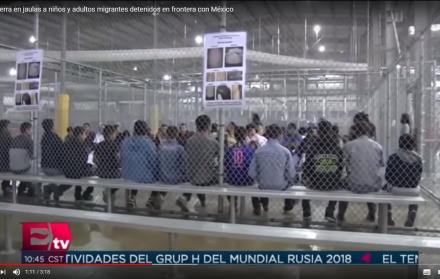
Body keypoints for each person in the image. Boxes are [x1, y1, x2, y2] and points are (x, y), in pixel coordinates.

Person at [338, 121, 384, 223]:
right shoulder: (378, 146)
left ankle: (340, 215)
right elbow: (381, 166)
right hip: (373, 185)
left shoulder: (348, 146)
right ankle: (372, 213)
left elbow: (342, 165)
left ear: (355, 132)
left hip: (354, 185)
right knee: (368, 176)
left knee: (343, 183)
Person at [301, 120, 344, 227]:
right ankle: (330, 211)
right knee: (339, 181)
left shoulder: (313, 146)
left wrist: (311, 176)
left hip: (315, 183)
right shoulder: (336, 147)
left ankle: (307, 212)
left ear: (318, 131)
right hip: (333, 183)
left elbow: (307, 167)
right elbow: (340, 167)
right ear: (330, 131)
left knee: (303, 180)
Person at [248, 124, 297, 216]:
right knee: (291, 181)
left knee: (260, 179)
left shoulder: (259, 151)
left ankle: (263, 204)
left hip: (263, 185)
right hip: (281, 185)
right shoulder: (285, 151)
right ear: (280, 135)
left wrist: (260, 178)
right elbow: (291, 173)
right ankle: (288, 205)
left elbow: (251, 172)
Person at [176, 115, 219, 213]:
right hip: (209, 178)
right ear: (209, 126)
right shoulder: (213, 141)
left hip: (192, 176)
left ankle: (187, 198)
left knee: (199, 169)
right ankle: (198, 201)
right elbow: (220, 158)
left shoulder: (190, 141)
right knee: (209, 170)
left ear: (196, 126)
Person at [385, 134, 422, 227]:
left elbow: (387, 176)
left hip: (396, 189)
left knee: (384, 188)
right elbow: (418, 177)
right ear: (412, 145)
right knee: (417, 191)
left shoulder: (393, 157)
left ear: (399, 144)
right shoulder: (418, 158)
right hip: (413, 190)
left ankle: (388, 215)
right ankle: (412, 213)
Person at [121, 120, 158, 209]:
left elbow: (122, 157)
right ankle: (151, 199)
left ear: (134, 129)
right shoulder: (149, 143)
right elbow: (153, 162)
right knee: (158, 177)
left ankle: (133, 197)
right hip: (144, 176)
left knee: (137, 170)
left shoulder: (125, 142)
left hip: (127, 174)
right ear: (146, 130)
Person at [151, 126, 187, 210]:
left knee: (166, 179)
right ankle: (182, 199)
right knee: (188, 178)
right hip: (176, 178)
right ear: (177, 135)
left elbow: (156, 162)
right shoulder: (180, 148)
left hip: (162, 176)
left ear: (166, 134)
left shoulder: (160, 146)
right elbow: (184, 166)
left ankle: (160, 197)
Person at [62, 126, 94, 202]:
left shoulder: (67, 143)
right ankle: (86, 194)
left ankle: (78, 195)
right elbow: (83, 161)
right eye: (84, 134)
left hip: (67, 171)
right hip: (77, 172)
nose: (85, 136)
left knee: (78, 169)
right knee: (93, 174)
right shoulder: (82, 145)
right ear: (80, 135)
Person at [40, 119, 66, 204]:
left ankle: (47, 191)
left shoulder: (43, 138)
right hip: (55, 168)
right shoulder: (55, 137)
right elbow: (62, 151)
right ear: (52, 127)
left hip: (44, 167)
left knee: (52, 180)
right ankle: (57, 193)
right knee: (70, 176)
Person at [94, 125, 121, 205]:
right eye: (115, 134)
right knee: (125, 177)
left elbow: (94, 159)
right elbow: (117, 159)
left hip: (101, 172)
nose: (116, 135)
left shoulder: (100, 145)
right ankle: (110, 192)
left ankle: (109, 193)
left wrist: (100, 164)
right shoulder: (115, 145)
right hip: (113, 173)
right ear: (112, 134)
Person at [9, 122, 34, 196]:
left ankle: (21, 188)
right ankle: (30, 189)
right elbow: (32, 156)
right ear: (26, 130)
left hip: (12, 167)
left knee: (25, 166)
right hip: (22, 169)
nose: (31, 131)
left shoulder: (15, 139)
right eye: (30, 129)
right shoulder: (29, 141)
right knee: (33, 169)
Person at [0, 120, 11, 196]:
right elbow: (11, 144)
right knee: (8, 172)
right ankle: (5, 186)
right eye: (7, 126)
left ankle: (5, 186)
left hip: (3, 157)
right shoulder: (6, 134)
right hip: (5, 158)